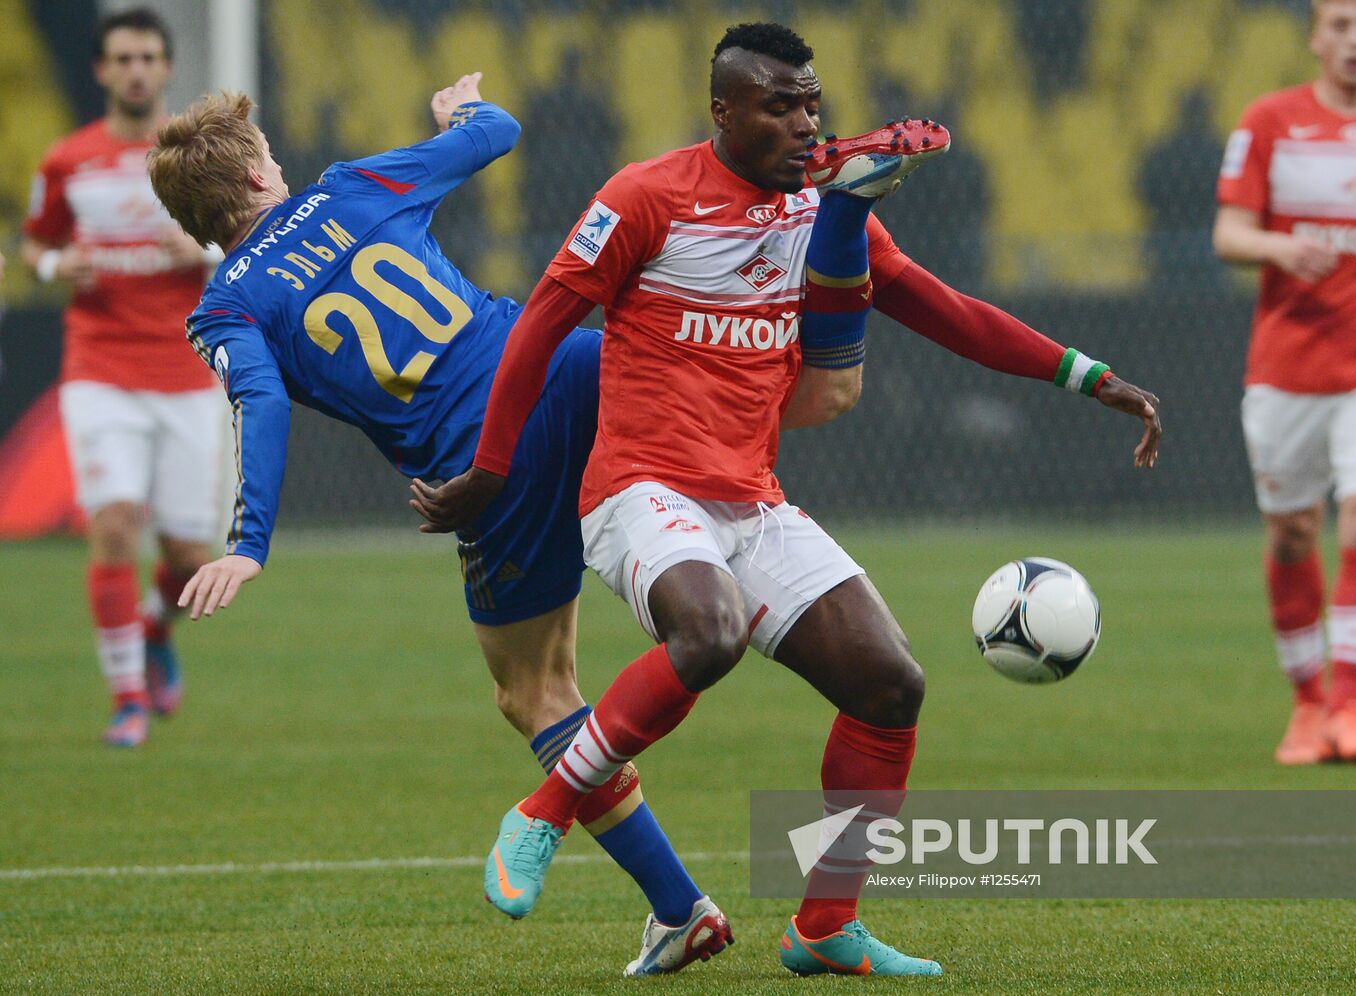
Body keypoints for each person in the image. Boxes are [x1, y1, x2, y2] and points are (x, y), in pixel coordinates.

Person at [412, 22, 1161, 978]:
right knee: (709, 633)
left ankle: (823, 927)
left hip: (749, 499)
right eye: (780, 105)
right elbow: (539, 330)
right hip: (638, 489)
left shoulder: (825, 204)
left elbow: (947, 310)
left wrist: (1088, 376)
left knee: (892, 685)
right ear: (722, 110)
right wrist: (494, 467)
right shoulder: (645, 197)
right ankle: (546, 810)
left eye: (813, 103)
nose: (806, 123)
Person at [146, 70, 897, 977]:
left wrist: (250, 542)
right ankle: (789, 459)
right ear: (264, 175)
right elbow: (497, 129)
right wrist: (454, 113)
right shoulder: (348, 188)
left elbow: (259, 404)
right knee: (697, 489)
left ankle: (679, 907)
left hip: (483, 464)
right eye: (271, 155)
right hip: (574, 371)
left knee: (534, 693)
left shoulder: (224, 306)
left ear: (197, 219)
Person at [21, 8, 225, 748]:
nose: (135, 70)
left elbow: (254, 241)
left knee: (187, 558)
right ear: (103, 70)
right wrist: (53, 265)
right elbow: (32, 243)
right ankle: (127, 700)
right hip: (99, 370)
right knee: (111, 527)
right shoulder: (68, 160)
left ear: (166, 69)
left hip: (184, 371)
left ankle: (153, 627)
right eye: (122, 58)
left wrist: (198, 252)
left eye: (148, 57)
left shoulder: (200, 161)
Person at [1214, 0, 1356, 765]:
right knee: (1291, 532)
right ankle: (1306, 706)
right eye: (1343, 25)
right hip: (1288, 366)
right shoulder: (1270, 121)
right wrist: (1284, 250)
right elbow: (1228, 234)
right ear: (1318, 37)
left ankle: (1349, 710)